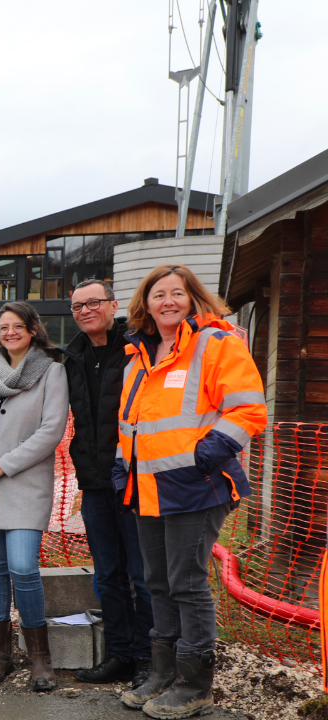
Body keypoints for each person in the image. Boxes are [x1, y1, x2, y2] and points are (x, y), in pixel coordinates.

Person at [115, 265, 266, 719]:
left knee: (186, 581)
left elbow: (247, 410)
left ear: (192, 298)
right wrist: (124, 469)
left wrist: (205, 456)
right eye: (158, 294)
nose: (168, 301)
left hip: (196, 486)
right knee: (157, 582)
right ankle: (164, 673)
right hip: (147, 488)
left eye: (177, 293)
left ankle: (195, 683)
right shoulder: (138, 358)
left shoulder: (216, 343)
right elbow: (131, 427)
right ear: (145, 304)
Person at [0, 301, 69, 692]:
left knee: (23, 567)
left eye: (17, 326)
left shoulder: (52, 372)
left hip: (22, 486)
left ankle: (41, 658)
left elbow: (51, 431)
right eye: (3, 327)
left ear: (33, 329)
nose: (9, 333)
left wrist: (0, 466)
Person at [61, 280, 154, 686]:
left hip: (135, 479)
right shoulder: (72, 357)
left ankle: (152, 658)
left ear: (113, 305)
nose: (85, 311)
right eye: (78, 306)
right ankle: (121, 654)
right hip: (95, 482)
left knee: (143, 574)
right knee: (107, 573)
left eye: (93, 303)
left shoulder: (139, 348)